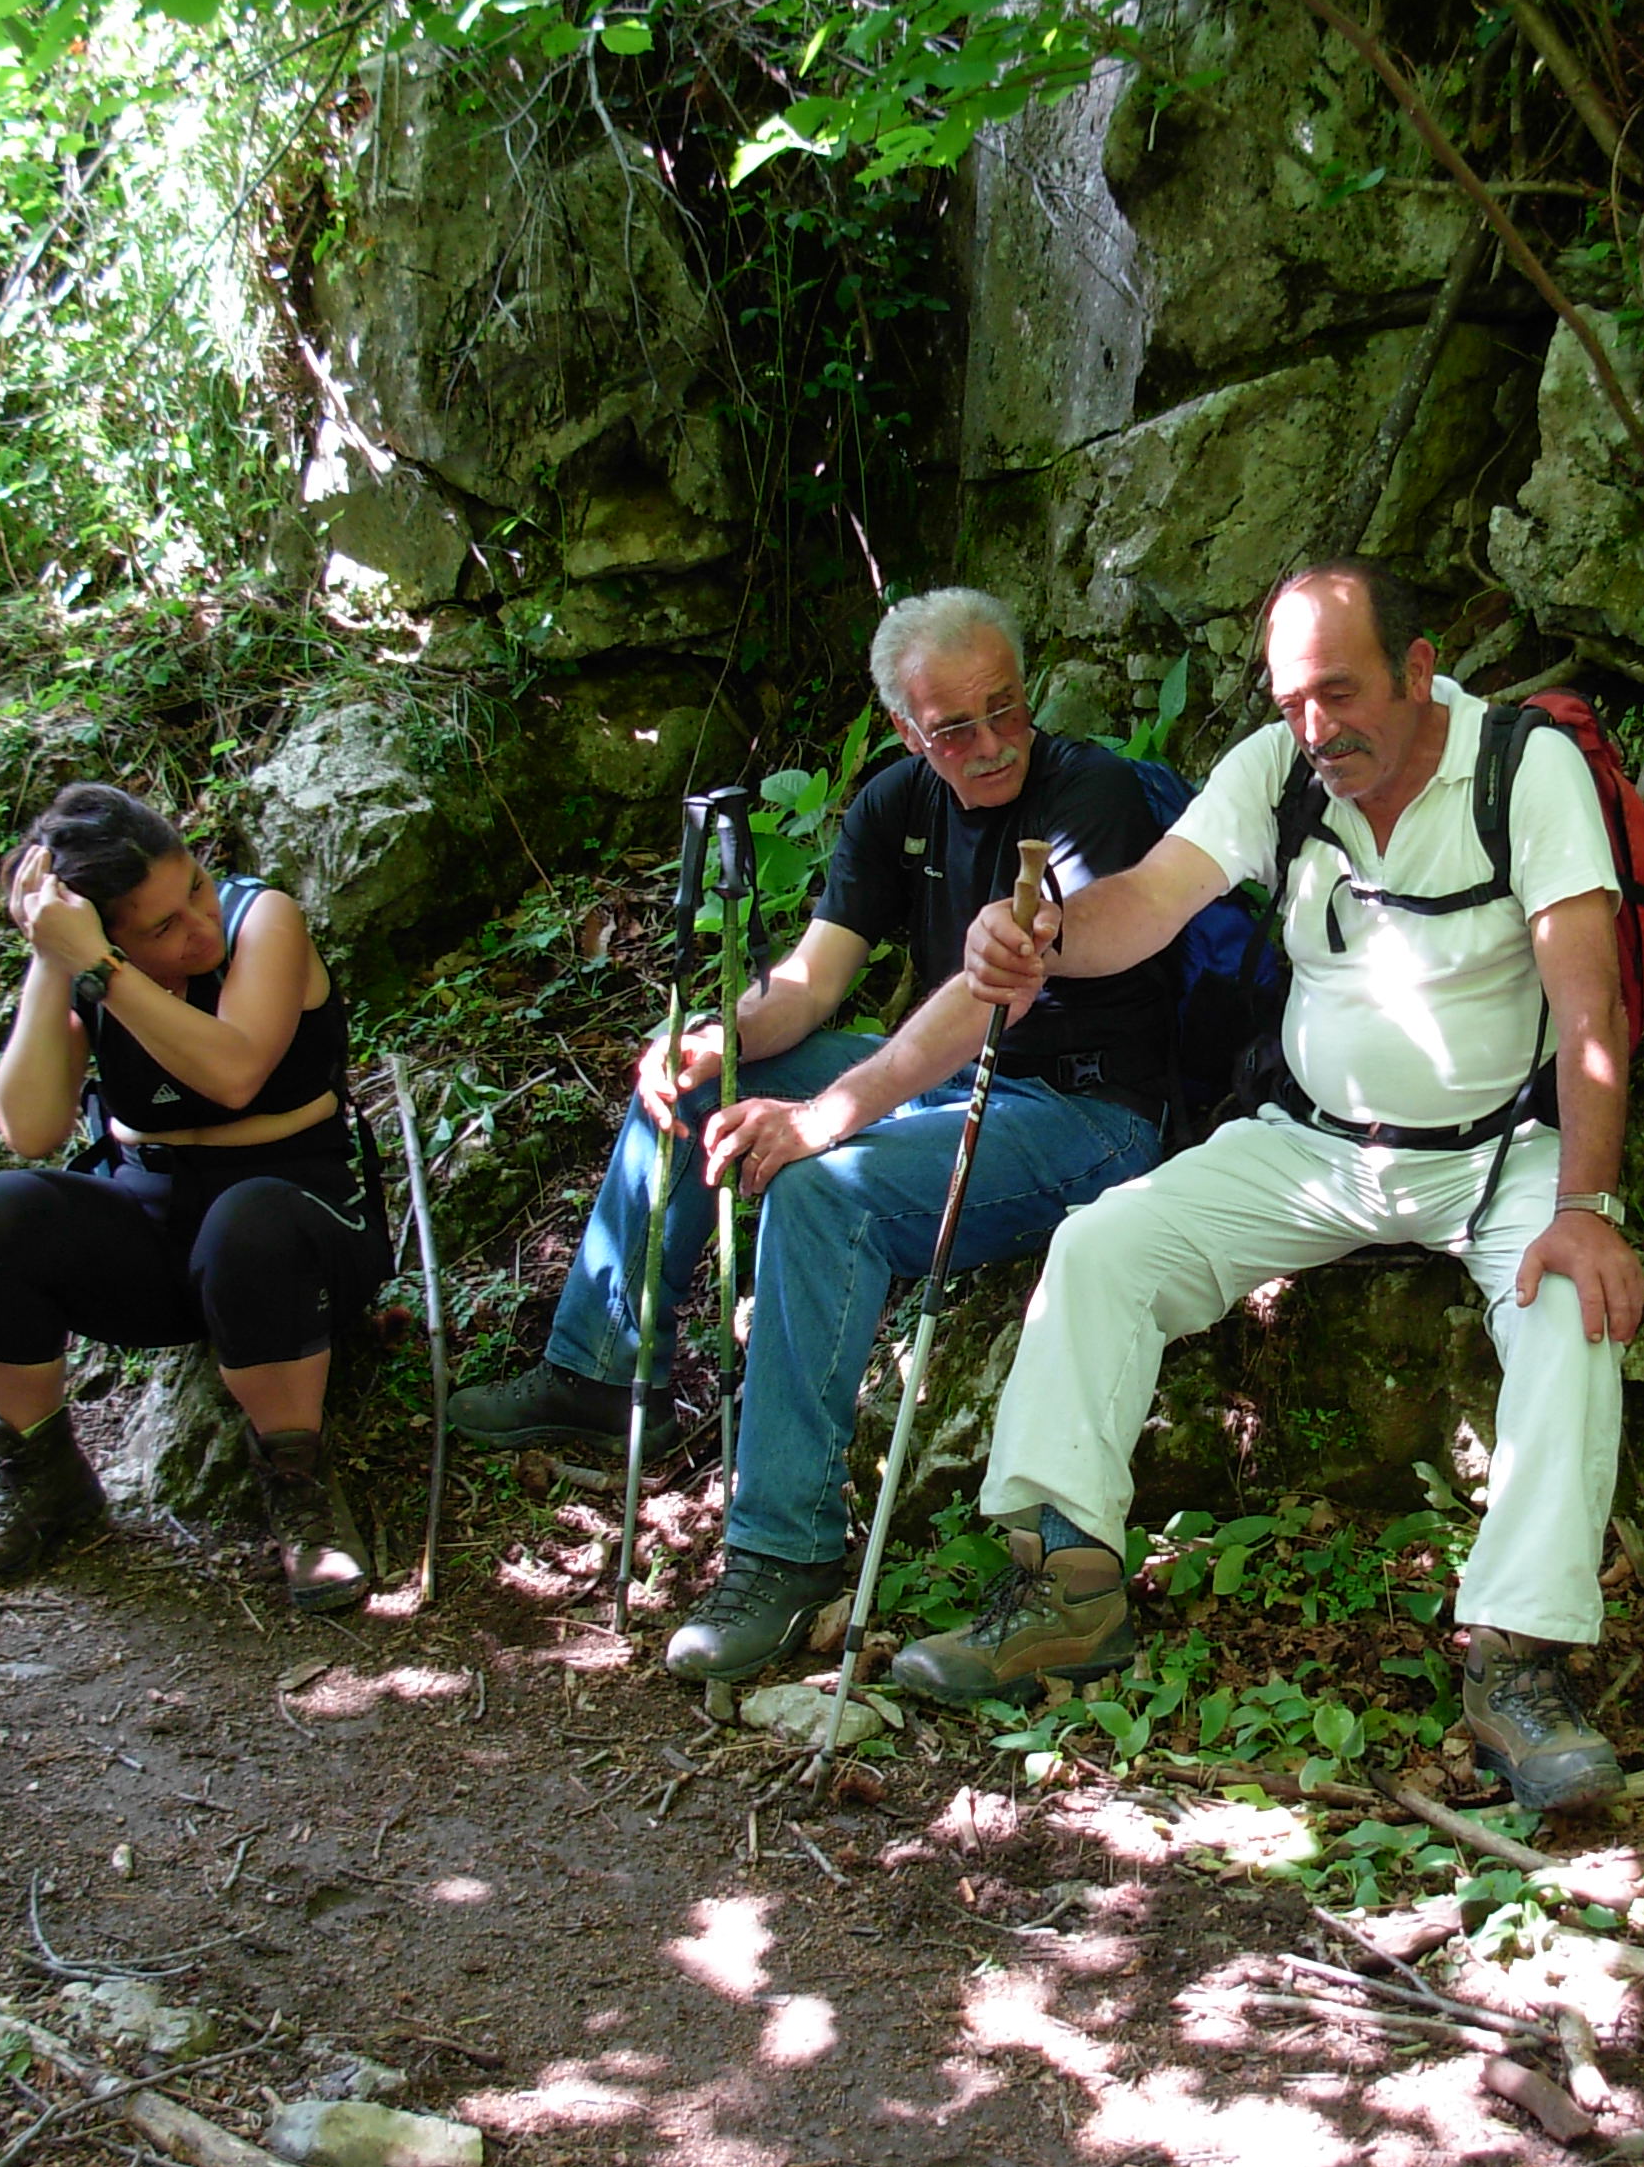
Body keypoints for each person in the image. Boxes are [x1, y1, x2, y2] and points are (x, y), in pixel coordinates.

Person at [905, 558, 1644, 1813]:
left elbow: (1590, 1008)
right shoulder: (1279, 769)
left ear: (1419, 671)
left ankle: (1520, 1664)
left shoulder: (1523, 771)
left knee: (1575, 1309)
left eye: (1340, 694)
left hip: (1497, 1155)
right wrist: (1044, 937)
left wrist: (1585, 1208)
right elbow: (1148, 903)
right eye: (1292, 700)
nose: (1316, 728)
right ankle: (1066, 1589)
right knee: (1102, 1248)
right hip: (1311, 1145)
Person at [450, 588, 1174, 1682]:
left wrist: (831, 1115)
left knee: (827, 1191)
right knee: (702, 1082)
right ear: (906, 731)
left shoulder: (1089, 795)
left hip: (1087, 1112)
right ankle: (602, 1374)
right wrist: (715, 1038)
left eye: (1007, 707)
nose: (991, 744)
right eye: (956, 727)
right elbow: (810, 983)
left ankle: (784, 1553)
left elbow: (992, 993)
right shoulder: (894, 807)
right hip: (953, 1080)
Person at [0, 783, 391, 1610]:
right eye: (161, 929)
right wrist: (53, 960)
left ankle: (299, 1485)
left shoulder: (263, 922)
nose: (200, 928)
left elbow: (234, 1071)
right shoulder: (85, 970)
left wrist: (107, 969)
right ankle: (41, 1471)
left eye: (197, 888)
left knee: (249, 1223)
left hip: (299, 1228)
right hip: (158, 1235)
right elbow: (30, 1128)